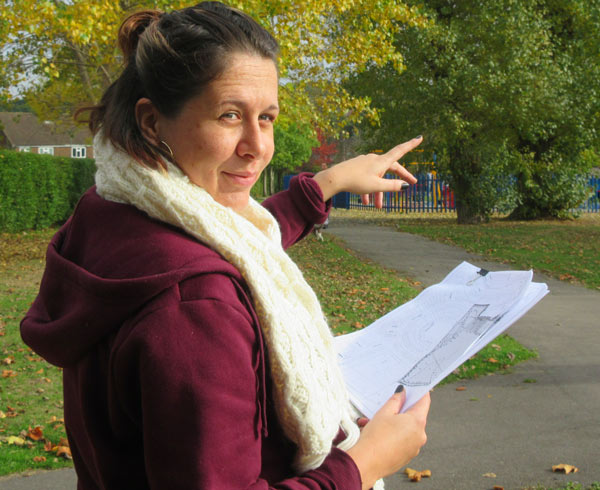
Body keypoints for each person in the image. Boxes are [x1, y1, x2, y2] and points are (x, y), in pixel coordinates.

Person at [20, 2, 430, 489]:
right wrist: (364, 464)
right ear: (152, 123)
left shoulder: (111, 214)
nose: (256, 145)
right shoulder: (194, 307)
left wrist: (328, 182)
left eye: (268, 117)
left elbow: (229, 241)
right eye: (230, 115)